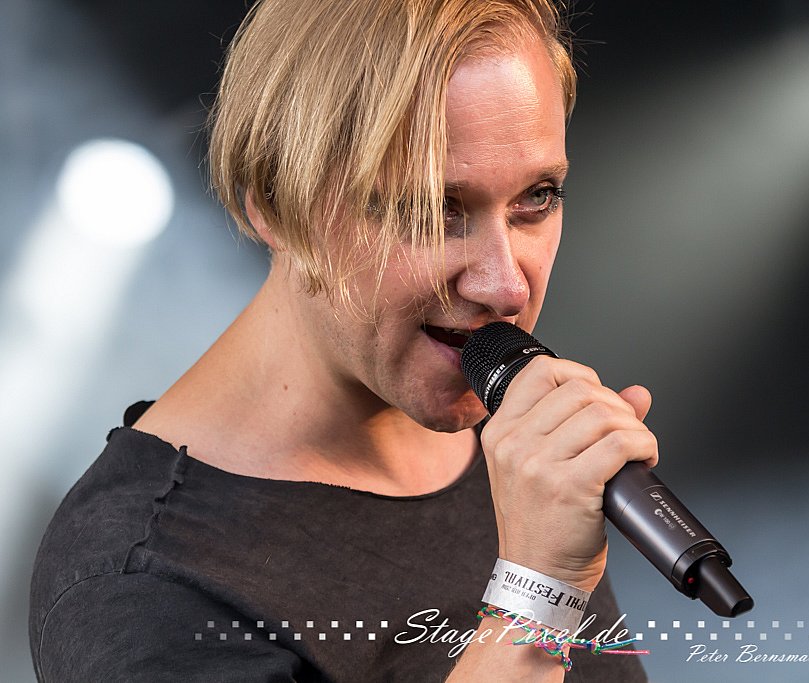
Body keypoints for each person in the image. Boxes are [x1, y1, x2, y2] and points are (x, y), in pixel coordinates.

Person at [29, 1, 657, 680]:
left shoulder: (518, 442)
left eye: (537, 197)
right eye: (430, 209)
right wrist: (536, 595)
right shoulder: (139, 585)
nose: (505, 286)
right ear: (273, 201)